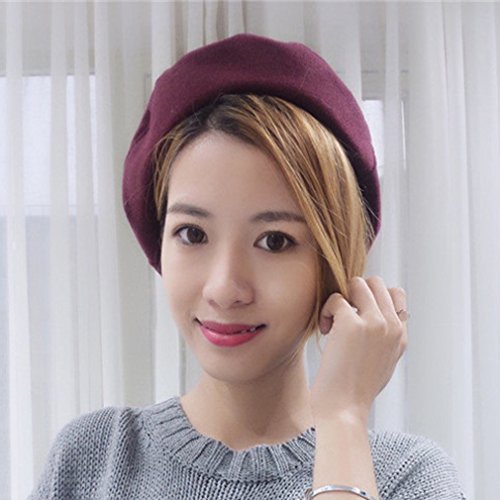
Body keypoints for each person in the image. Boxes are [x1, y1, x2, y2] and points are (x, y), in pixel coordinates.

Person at [30, 34, 465, 500]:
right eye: (192, 234)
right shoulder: (94, 459)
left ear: (331, 260)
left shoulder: (409, 478)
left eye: (274, 241)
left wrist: (342, 418)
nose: (224, 288)